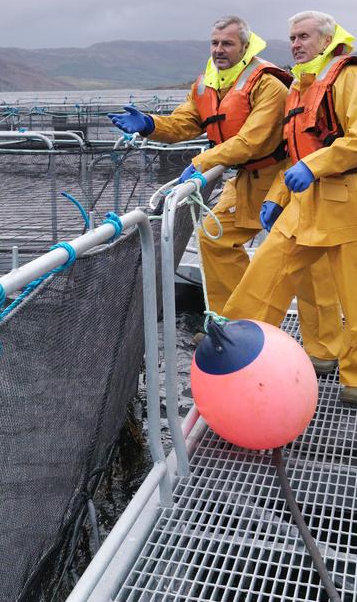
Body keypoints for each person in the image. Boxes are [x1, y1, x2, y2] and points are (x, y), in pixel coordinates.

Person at [108, 18, 342, 368]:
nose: (219, 50)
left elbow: (253, 140)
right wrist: (150, 124)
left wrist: (202, 163)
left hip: (286, 178)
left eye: (227, 44)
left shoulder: (268, 85)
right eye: (215, 43)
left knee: (306, 261)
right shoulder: (206, 83)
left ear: (245, 47)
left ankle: (324, 350)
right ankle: (235, 326)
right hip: (245, 179)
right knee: (214, 240)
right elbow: (185, 122)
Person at [221, 10, 357, 406]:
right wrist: (275, 197)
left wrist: (312, 167)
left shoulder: (352, 76)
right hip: (305, 205)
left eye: (303, 37)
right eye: (292, 38)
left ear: (326, 39)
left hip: (351, 202)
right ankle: (233, 349)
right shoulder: (302, 85)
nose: (296, 45)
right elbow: (294, 153)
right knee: (264, 275)